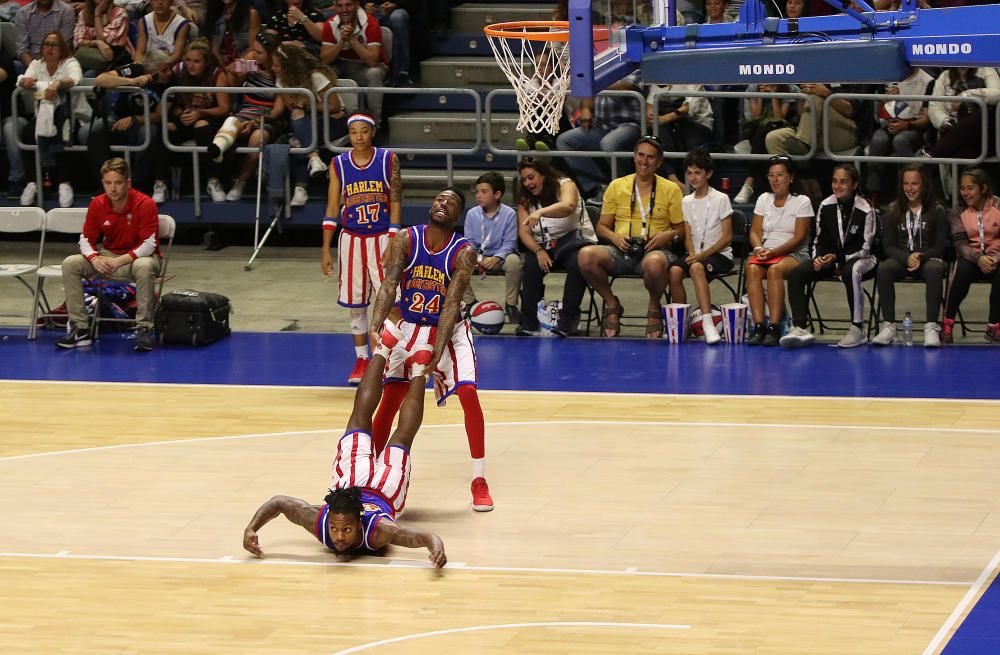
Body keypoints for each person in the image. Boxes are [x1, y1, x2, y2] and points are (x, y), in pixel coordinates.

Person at [242, 331, 446, 566]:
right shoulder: (322, 522)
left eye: (346, 529)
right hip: (385, 489)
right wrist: (251, 527)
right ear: (328, 519)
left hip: (352, 479)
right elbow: (279, 503)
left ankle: (385, 348)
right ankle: (419, 367)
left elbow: (423, 537)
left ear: (359, 522)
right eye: (335, 529)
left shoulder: (378, 529)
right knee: (402, 436)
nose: (338, 536)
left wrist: (436, 547)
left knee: (361, 417)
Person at [368, 187, 495, 511]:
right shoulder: (407, 238)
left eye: (451, 202)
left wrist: (437, 351)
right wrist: (376, 323)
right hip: (410, 324)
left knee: (467, 392)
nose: (443, 203)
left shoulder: (463, 251)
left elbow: (452, 303)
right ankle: (373, 474)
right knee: (392, 396)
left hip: (448, 329)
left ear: (458, 216)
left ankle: (479, 480)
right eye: (439, 198)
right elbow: (389, 283)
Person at [577, 136, 685, 338]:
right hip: (621, 249)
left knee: (654, 263)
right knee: (585, 255)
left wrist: (667, 235)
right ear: (634, 157)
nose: (644, 161)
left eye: (650, 157)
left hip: (655, 250)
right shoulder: (617, 186)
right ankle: (612, 303)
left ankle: (654, 307)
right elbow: (601, 227)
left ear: (659, 162)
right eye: (640, 155)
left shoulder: (671, 189)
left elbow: (681, 230)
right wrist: (614, 237)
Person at [322, 113, 401, 384]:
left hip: (382, 238)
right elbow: (332, 208)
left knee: (390, 302)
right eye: (353, 132)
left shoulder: (388, 159)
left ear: (372, 132)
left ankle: (393, 354)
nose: (358, 137)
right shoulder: (339, 164)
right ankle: (362, 359)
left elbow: (396, 201)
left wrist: (393, 240)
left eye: (363, 131)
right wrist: (325, 250)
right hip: (351, 239)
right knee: (356, 305)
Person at [57, 157, 161, 352]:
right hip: (107, 257)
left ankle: (143, 328)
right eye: (108, 183)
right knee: (70, 263)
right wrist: (94, 259)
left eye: (118, 183)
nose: (113, 189)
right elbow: (86, 239)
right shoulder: (97, 204)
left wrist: (118, 261)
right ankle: (80, 327)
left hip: (138, 259)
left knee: (144, 266)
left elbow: (149, 244)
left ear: (128, 183)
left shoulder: (145, 204)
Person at [781, 164, 877, 349]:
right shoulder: (826, 205)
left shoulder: (866, 210)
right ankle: (800, 327)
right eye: (835, 181)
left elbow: (864, 248)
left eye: (843, 182)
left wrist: (837, 259)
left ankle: (858, 328)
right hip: (831, 260)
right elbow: (819, 240)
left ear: (854, 184)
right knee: (796, 273)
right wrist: (818, 258)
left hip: (862, 260)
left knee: (852, 270)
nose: (837, 186)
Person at [513, 157, 593, 337]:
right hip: (543, 245)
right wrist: (538, 250)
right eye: (524, 179)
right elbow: (524, 232)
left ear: (544, 175)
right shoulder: (525, 198)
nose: (527, 183)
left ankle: (567, 321)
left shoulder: (565, 184)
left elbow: (568, 206)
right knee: (531, 265)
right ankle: (529, 322)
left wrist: (541, 212)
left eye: (531, 177)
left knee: (577, 264)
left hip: (572, 241)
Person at [871, 165, 948, 347]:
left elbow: (940, 246)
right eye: (906, 183)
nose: (910, 188)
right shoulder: (893, 209)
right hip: (902, 259)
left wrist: (921, 256)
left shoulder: (937, 210)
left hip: (928, 258)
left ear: (924, 185)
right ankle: (889, 326)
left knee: (935, 269)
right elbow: (888, 246)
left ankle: (931, 326)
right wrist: (906, 258)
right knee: (884, 269)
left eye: (914, 183)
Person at [10, 30, 88, 208]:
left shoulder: (70, 62)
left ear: (62, 49)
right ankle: (32, 182)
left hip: (72, 115)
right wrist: (25, 82)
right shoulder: (37, 64)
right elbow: (22, 78)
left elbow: (76, 77)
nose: (50, 48)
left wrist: (58, 83)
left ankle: (64, 183)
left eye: (54, 45)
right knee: (28, 131)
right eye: (47, 44)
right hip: (43, 115)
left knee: (60, 130)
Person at [745, 156, 813, 346]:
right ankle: (759, 326)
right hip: (765, 252)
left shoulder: (802, 201)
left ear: (791, 178)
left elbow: (799, 237)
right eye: (771, 175)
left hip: (794, 253)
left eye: (780, 175)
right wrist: (759, 248)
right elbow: (755, 232)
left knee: (775, 269)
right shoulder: (763, 199)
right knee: (751, 267)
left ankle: (775, 327)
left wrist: (774, 253)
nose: (775, 180)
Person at [88, 50, 174, 202]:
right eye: (164, 70)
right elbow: (101, 79)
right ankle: (104, 184)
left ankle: (134, 185)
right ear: (151, 70)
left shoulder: (171, 83)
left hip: (144, 122)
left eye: (169, 69)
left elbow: (160, 115)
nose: (169, 73)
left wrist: (134, 119)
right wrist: (132, 82)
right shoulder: (135, 69)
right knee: (96, 130)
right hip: (117, 119)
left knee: (150, 133)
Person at [206, 31, 282, 202]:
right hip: (247, 110)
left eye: (260, 52)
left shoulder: (281, 70)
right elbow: (233, 80)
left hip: (269, 117)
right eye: (254, 50)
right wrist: (235, 72)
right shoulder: (253, 63)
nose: (254, 54)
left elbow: (277, 112)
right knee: (231, 121)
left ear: (272, 54)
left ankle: (240, 183)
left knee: (256, 138)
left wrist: (255, 123)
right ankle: (217, 150)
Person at [669, 148, 733, 344]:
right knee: (674, 271)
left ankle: (707, 322)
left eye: (697, 172)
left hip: (719, 255)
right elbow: (688, 234)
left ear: (709, 174)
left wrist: (701, 255)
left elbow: (727, 237)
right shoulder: (686, 201)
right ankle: (682, 323)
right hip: (696, 254)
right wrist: (692, 253)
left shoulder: (721, 198)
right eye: (689, 173)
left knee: (696, 267)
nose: (693, 177)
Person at [272, 43, 346, 206]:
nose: (273, 68)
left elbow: (334, 106)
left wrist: (307, 104)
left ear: (289, 67)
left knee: (298, 140)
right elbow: (293, 108)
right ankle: (314, 160)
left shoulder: (315, 76)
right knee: (297, 118)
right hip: (307, 121)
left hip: (333, 119)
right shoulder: (281, 80)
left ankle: (301, 187)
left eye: (277, 65)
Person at [555, 71, 643, 199]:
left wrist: (597, 82)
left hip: (629, 126)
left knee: (609, 143)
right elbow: (588, 96)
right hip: (601, 126)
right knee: (565, 141)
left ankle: (624, 187)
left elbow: (627, 87)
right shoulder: (603, 68)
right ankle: (596, 187)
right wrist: (585, 108)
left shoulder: (634, 68)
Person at [166, 38, 231, 203]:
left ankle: (213, 181)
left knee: (202, 126)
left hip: (210, 117)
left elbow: (224, 108)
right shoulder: (178, 71)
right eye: (187, 60)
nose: (191, 65)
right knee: (168, 128)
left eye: (196, 61)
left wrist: (201, 112)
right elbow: (172, 103)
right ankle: (164, 183)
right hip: (186, 117)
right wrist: (181, 112)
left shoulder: (218, 74)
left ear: (206, 62)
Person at [942, 168, 1000, 344]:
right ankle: (948, 323)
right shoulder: (957, 210)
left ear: (983, 188)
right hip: (971, 257)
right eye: (962, 188)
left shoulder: (998, 205)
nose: (965, 193)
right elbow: (960, 243)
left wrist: (995, 257)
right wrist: (979, 258)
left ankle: (994, 326)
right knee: (962, 270)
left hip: (996, 257)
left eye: (970, 188)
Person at [462, 171, 522, 324]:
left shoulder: (509, 214)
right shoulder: (472, 214)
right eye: (477, 192)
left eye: (484, 192)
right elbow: (469, 242)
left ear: (497, 194)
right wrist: (475, 258)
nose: (478, 196)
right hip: (478, 257)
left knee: (514, 261)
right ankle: (470, 303)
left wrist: (496, 258)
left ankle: (511, 304)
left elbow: (510, 243)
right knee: (459, 258)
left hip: (501, 257)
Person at [312, 0, 386, 125]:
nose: (344, 10)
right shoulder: (330, 24)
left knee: (374, 73)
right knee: (319, 72)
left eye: (348, 5)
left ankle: (374, 123)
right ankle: (335, 119)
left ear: (356, 5)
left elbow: (372, 61)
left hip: (364, 67)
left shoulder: (370, 23)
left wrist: (352, 39)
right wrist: (342, 41)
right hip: (341, 65)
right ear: (334, 7)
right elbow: (324, 60)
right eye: (340, 6)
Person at [926, 68, 1000, 161]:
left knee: (971, 122)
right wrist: (948, 122)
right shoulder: (945, 76)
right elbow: (934, 107)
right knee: (962, 153)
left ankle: (931, 158)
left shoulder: (986, 70)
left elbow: (997, 93)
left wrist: (966, 95)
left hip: (983, 131)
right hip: (954, 130)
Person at [14, 0, 75, 73]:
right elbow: (22, 48)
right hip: (31, 61)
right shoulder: (23, 13)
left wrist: (47, 70)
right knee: (14, 65)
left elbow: (63, 45)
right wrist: (34, 70)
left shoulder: (66, 11)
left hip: (57, 60)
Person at [72, 0, 132, 75]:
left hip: (116, 60)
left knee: (89, 74)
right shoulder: (83, 14)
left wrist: (97, 14)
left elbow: (105, 40)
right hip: (90, 58)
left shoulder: (119, 13)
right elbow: (77, 40)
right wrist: (97, 43)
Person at [203, 0, 262, 69]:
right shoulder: (214, 13)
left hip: (247, 62)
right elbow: (213, 47)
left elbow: (253, 49)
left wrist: (234, 66)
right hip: (220, 64)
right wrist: (222, 66)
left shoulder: (251, 14)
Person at [134, 0, 191, 69]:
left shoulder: (182, 24)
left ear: (171, 1)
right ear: (150, 2)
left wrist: (159, 68)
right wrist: (139, 65)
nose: (160, 3)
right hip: (148, 67)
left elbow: (176, 56)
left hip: (169, 68)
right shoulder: (143, 21)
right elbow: (139, 52)